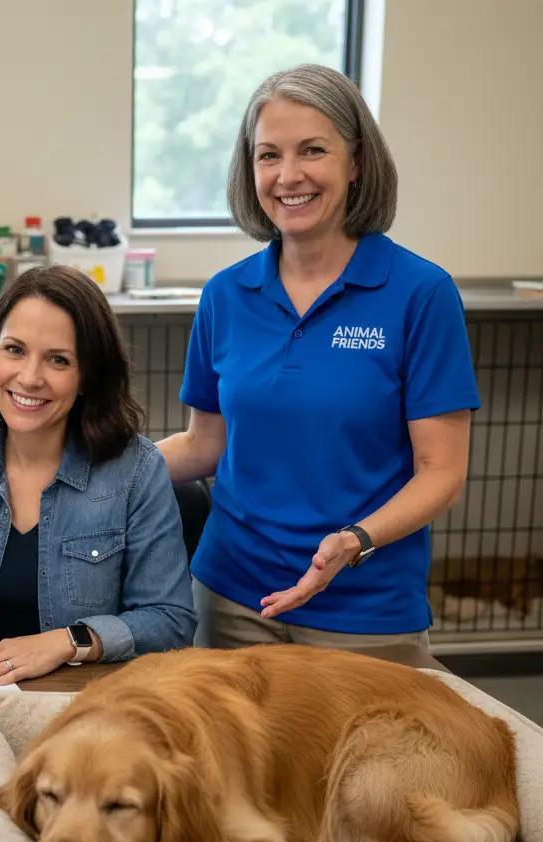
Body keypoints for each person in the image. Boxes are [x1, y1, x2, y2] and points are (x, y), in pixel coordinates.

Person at [157, 64, 479, 652]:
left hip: (367, 609)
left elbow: (443, 472)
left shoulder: (420, 294)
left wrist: (353, 541)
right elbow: (205, 444)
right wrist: (82, 465)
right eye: (268, 155)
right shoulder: (225, 296)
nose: (288, 176)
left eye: (312, 150)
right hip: (230, 599)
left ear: (356, 162)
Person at [0, 265, 196, 684]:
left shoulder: (136, 469)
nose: (29, 378)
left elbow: (171, 620)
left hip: (92, 705)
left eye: (58, 360)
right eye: (14, 350)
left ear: (88, 376)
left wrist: (70, 641)